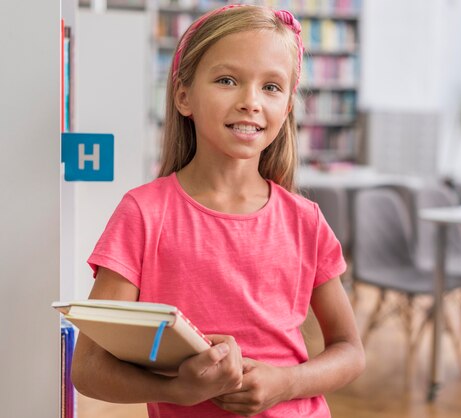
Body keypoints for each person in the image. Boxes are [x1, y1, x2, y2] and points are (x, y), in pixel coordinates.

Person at [71, 5, 365, 417]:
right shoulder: (143, 214)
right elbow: (87, 369)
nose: (250, 101)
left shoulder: (305, 220)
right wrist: (177, 390)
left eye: (271, 87)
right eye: (227, 80)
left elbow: (350, 351)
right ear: (184, 96)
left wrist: (288, 382)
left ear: (288, 107)